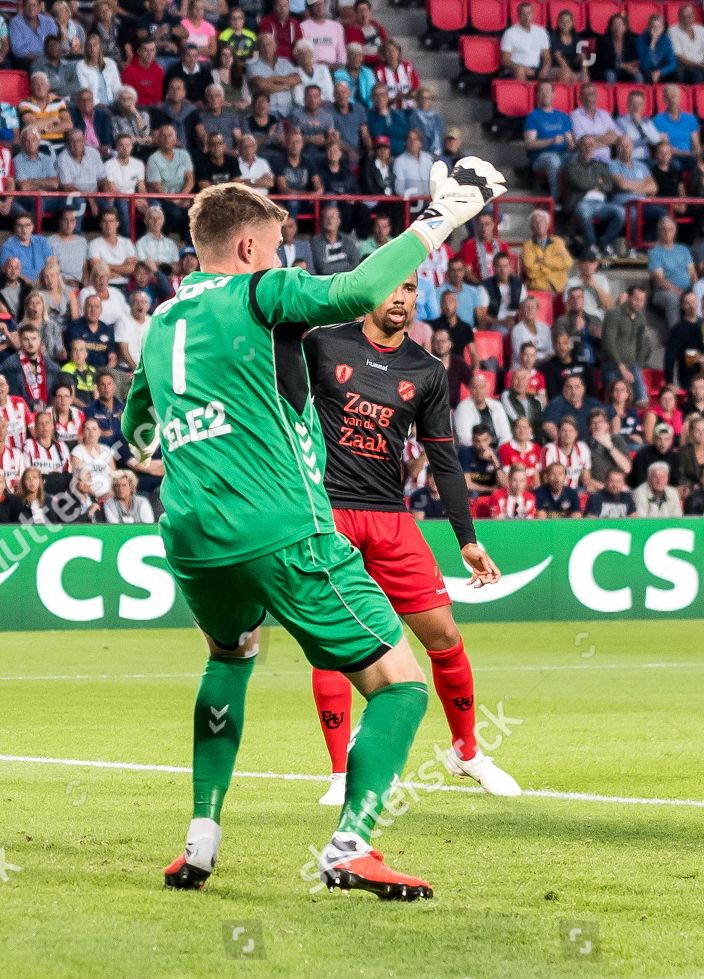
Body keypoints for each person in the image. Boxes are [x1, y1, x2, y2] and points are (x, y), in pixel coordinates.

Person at [123, 159, 507, 899]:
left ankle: (201, 838)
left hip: (193, 540)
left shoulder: (164, 321)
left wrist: (203, 440)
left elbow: (136, 429)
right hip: (282, 528)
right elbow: (356, 292)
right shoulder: (261, 293)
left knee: (230, 658)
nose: (280, 259)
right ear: (247, 248)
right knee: (400, 685)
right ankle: (350, 846)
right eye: (274, 247)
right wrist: (442, 219)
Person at [303, 274, 518, 806]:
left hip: (390, 517)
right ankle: (340, 773)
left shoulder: (427, 370)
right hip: (329, 512)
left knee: (443, 635)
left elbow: (443, 459)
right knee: (333, 641)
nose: (400, 299)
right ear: (368, 290)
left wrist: (466, 539)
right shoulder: (323, 344)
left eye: (409, 289)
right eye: (390, 288)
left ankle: (466, 753)